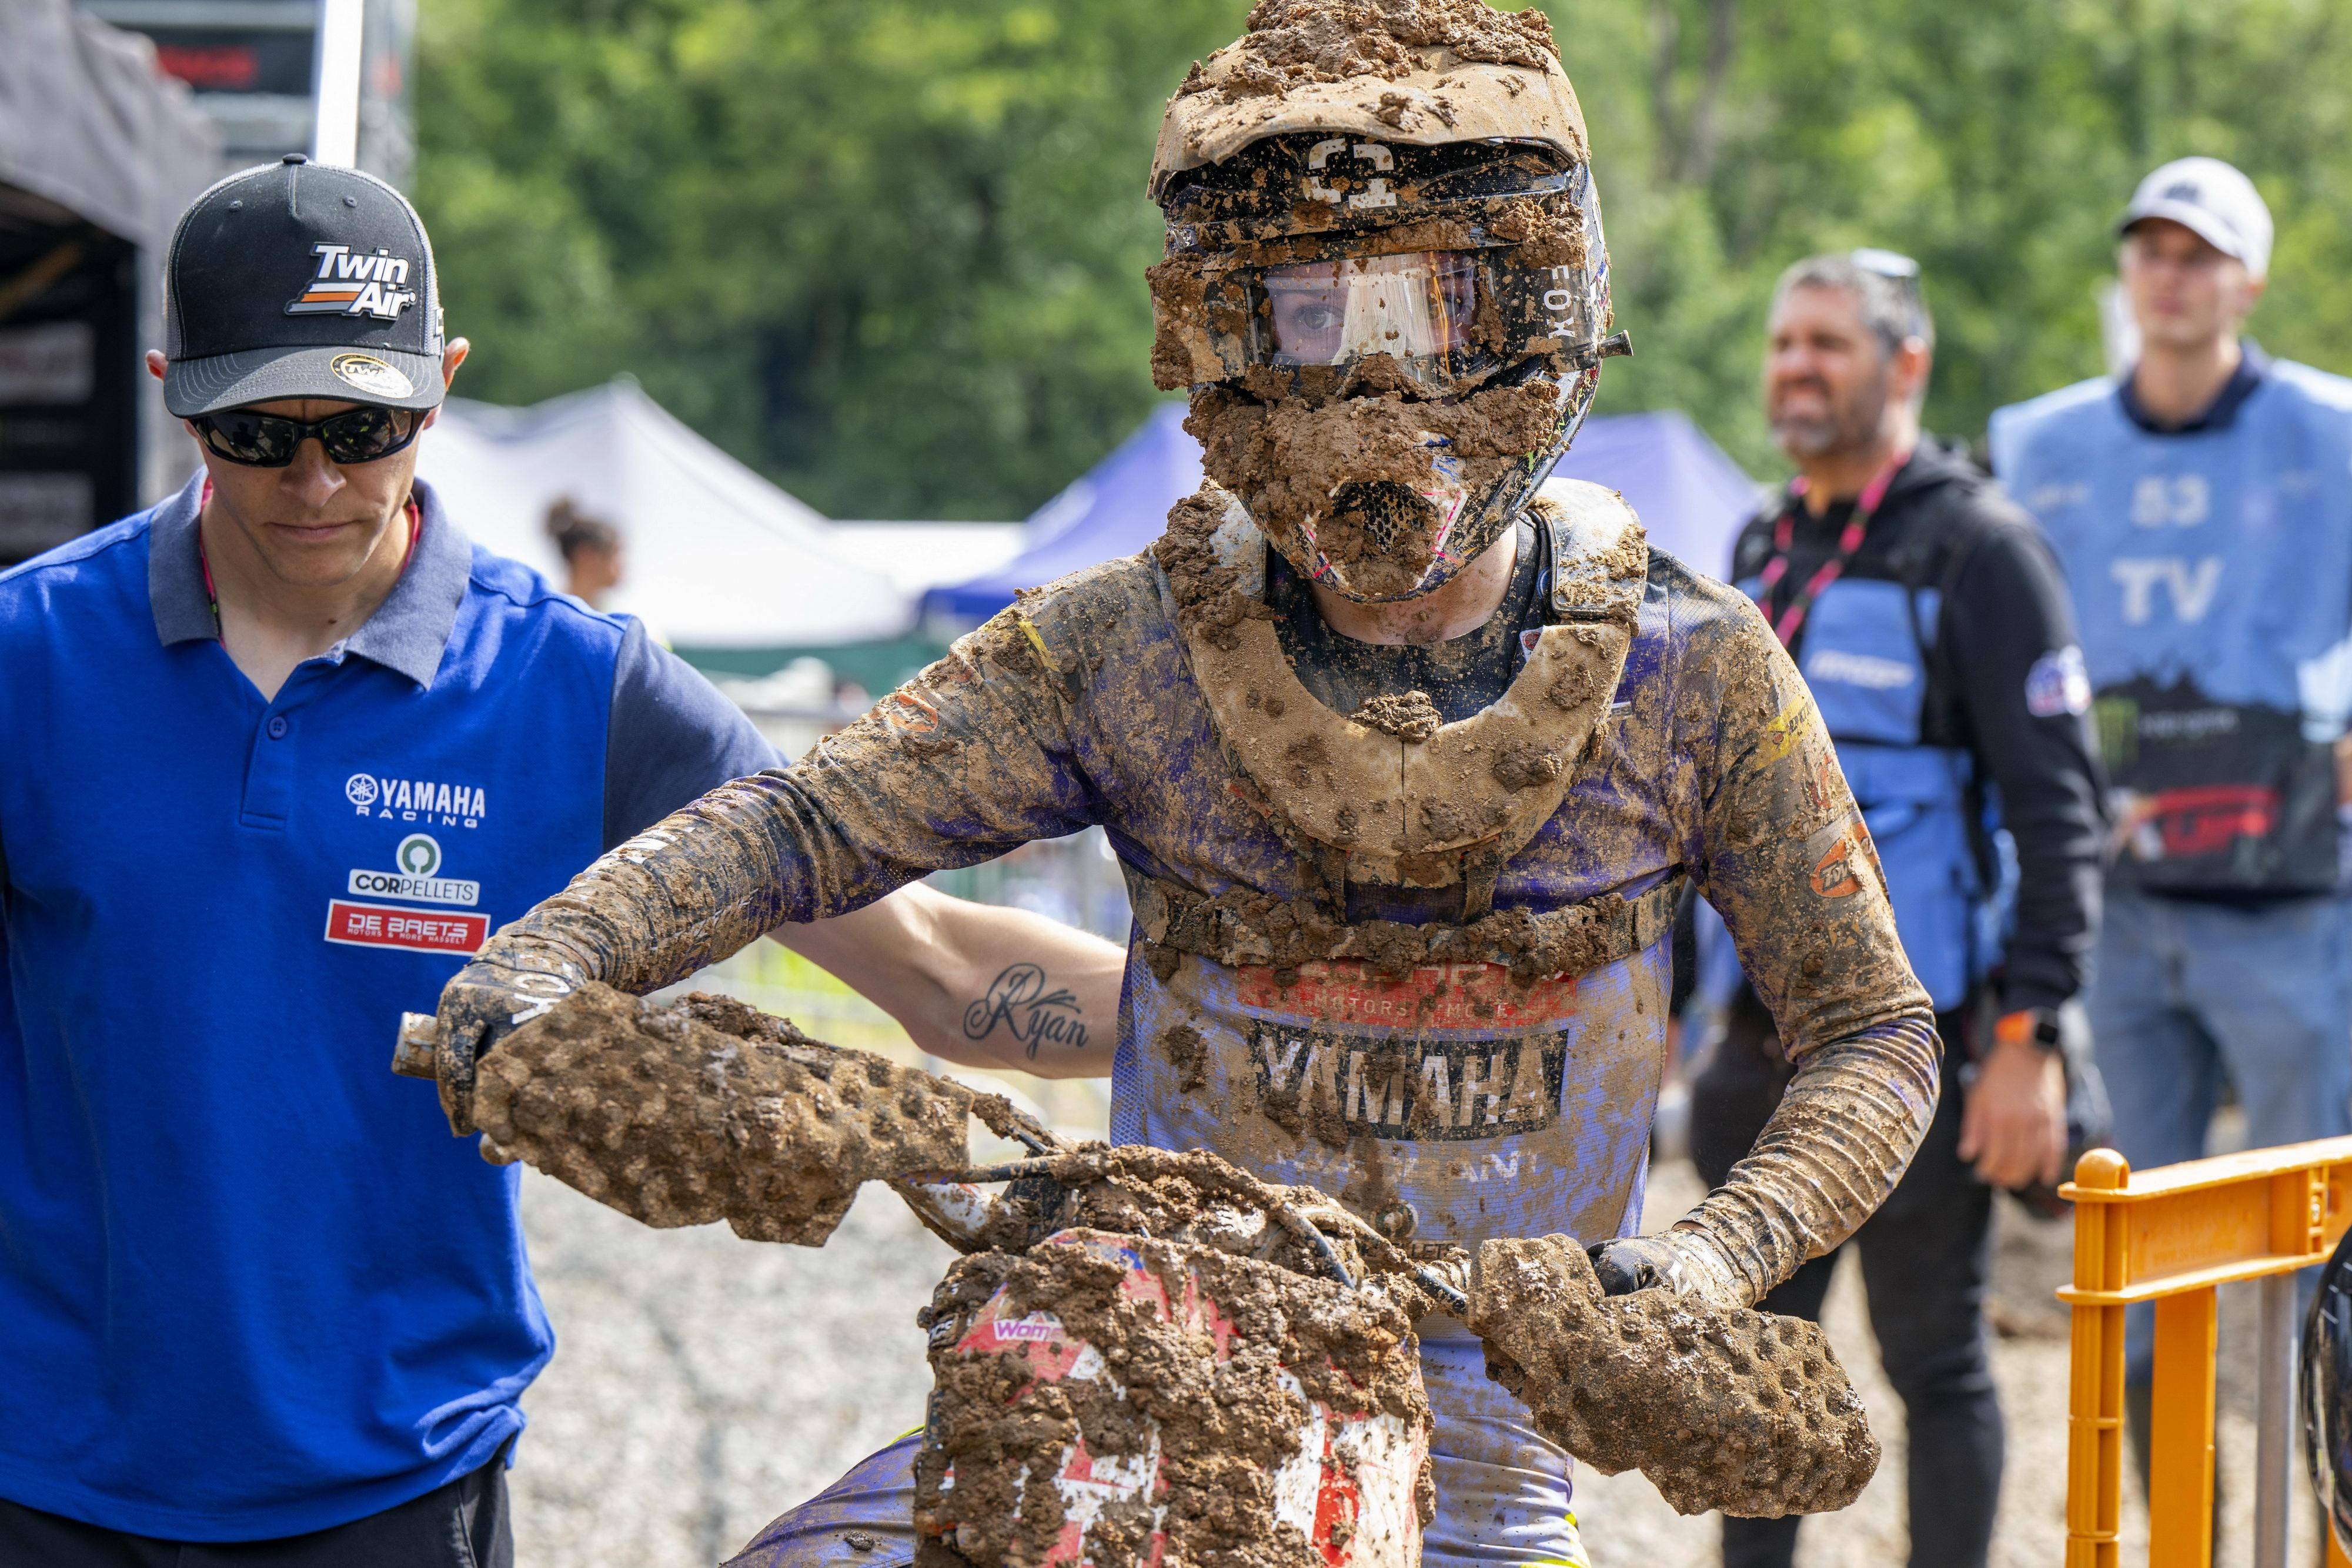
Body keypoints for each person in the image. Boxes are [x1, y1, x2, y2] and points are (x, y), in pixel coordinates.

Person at [417, 6, 1945, 1565]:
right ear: (1218, 329)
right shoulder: (1127, 651)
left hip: (1481, 1480)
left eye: (1437, 304)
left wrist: (1707, 1259)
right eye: (1306, 311)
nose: (1372, 383)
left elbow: (1873, 1032)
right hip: (1147, 1400)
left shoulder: (1689, 674)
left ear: (1544, 307)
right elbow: (809, 821)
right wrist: (561, 951)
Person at [0, 155, 1123, 1567]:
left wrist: (1272, 1025)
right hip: (45, 1473)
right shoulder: (32, 655)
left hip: (393, 1484)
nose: (316, 478)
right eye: (257, 431)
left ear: (442, 387)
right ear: (175, 395)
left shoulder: (579, 689)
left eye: (364, 424)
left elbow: (940, 969)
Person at [1689, 252, 2106, 1568]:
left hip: (1920, 1054)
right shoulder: (1761, 544)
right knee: (1751, 1376)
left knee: (1937, 1362)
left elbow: (2060, 817)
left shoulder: (1982, 549)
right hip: (1755, 1049)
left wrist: (2028, 1041)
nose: (1795, 368)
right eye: (1783, 343)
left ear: (1905, 362)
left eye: (1828, 343)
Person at [1990, 156, 2352, 1473]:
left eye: (2200, 254)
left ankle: (2324, 1528)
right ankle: (2171, 1534)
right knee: (2139, 1246)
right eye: (2151, 248)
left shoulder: (2333, 431)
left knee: (2321, 1247)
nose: (2172, 274)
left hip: (2289, 903)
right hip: (2119, 911)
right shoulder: (2040, 444)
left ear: (2248, 281)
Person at [544, 496, 624, 609]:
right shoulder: (552, 612)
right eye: (615, 554)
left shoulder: (608, 612)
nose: (622, 565)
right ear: (587, 556)